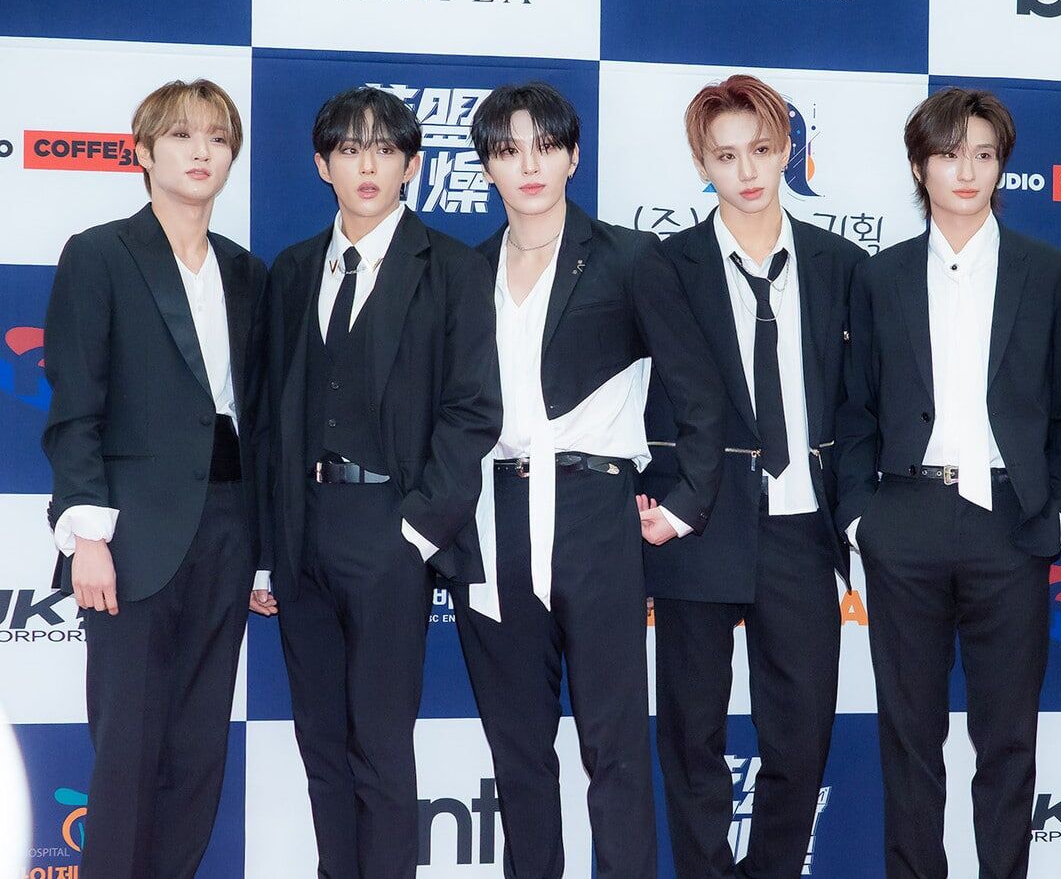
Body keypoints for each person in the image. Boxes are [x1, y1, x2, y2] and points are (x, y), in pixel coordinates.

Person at [449, 81, 725, 879]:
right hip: (492, 519)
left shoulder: (630, 258)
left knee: (616, 747)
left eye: (545, 146)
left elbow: (700, 391)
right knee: (518, 751)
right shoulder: (463, 272)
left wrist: (685, 503)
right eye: (509, 150)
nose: (529, 165)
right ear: (487, 167)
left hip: (596, 511)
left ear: (573, 156)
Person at [835, 86, 1061, 879]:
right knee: (909, 736)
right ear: (920, 167)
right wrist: (860, 517)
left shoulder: (1052, 273)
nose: (967, 171)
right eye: (949, 155)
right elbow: (854, 407)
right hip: (904, 516)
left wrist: (1060, 516)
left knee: (1008, 737)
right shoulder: (880, 277)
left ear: (1002, 165)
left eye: (983, 154)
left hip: (1012, 522)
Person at [254, 86, 501, 879]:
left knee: (382, 750)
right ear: (322, 165)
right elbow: (267, 417)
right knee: (321, 746)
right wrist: (267, 550)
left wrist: (418, 531)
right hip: (302, 530)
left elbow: (473, 410)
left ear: (412, 166)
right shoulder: (293, 270)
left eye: (385, 149)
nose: (368, 165)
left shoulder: (452, 267)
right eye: (350, 149)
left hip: (392, 530)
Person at [42, 78, 267, 878]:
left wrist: (264, 553)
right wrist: (86, 534)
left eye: (217, 137)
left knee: (200, 748)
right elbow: (75, 406)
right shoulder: (100, 253)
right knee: (129, 746)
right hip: (131, 534)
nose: (201, 151)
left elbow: (260, 417)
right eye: (180, 135)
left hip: (231, 527)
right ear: (142, 152)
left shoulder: (247, 272)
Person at [643, 74, 866, 879]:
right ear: (701, 163)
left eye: (762, 150)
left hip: (803, 528)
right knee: (691, 736)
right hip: (698, 521)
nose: (746, 171)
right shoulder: (665, 265)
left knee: (801, 737)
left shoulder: (842, 265)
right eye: (726, 155)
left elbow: (862, 403)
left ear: (787, 152)